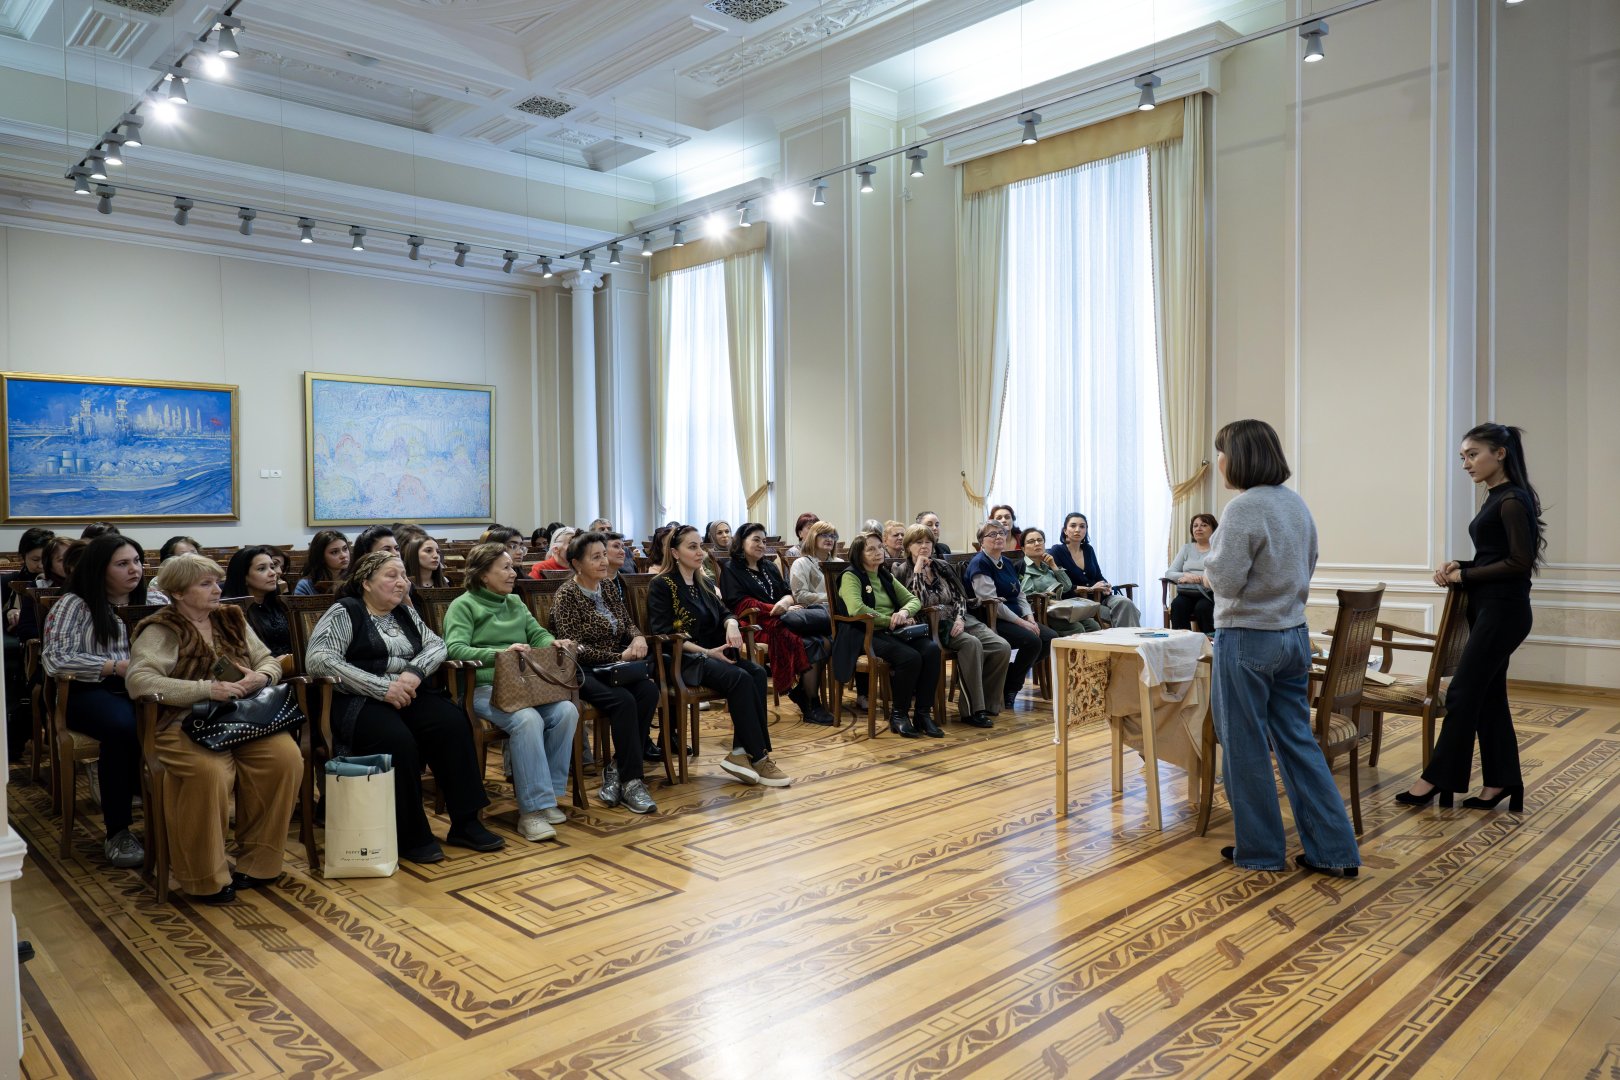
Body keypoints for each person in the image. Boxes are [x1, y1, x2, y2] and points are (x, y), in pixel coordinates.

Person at [1205, 418, 1359, 877]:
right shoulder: (1294, 503)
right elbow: (1308, 564)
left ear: (1239, 458)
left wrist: (1210, 563)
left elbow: (1227, 580)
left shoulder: (1242, 508)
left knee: (1244, 746)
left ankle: (1260, 850)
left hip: (1247, 637)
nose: (1219, 462)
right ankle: (1334, 850)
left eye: (1222, 452)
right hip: (1293, 634)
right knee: (1298, 744)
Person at [305, 551, 504, 862]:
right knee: (398, 741)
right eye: (391, 576)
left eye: (404, 576)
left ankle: (466, 823)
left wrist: (414, 672)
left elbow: (436, 644)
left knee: (452, 723)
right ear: (366, 582)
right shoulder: (345, 611)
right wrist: (382, 687)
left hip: (407, 692)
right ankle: (411, 835)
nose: (402, 583)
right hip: (357, 698)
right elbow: (319, 661)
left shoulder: (404, 612)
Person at [126, 553, 299, 903]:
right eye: (205, 584)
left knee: (286, 758)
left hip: (240, 718)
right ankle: (205, 877)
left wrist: (260, 677)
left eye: (217, 582)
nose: (217, 589)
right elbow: (139, 682)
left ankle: (259, 862)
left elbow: (268, 659)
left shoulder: (231, 618)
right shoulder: (162, 628)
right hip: (182, 723)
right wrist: (206, 689)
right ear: (177, 592)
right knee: (209, 773)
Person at [1399, 423, 1546, 813]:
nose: (1466, 463)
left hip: (1504, 611)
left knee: (1463, 692)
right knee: (1489, 697)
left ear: (1500, 453)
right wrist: (1460, 565)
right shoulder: (1497, 496)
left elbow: (1519, 562)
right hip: (1491, 608)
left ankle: (1436, 778)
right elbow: (1496, 556)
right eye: (1463, 456)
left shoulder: (1512, 499)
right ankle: (1501, 781)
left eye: (1472, 454)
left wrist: (1465, 575)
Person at [41, 533, 169, 868]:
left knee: (184, 717)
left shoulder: (153, 598)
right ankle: (118, 830)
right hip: (91, 690)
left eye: (137, 561)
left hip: (146, 685)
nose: (135, 570)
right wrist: (114, 666)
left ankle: (173, 812)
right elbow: (55, 659)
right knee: (123, 726)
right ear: (100, 569)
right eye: (123, 564)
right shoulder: (74, 604)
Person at [442, 544, 580, 841]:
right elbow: (454, 648)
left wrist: (552, 642)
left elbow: (537, 633)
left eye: (510, 566)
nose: (512, 572)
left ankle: (549, 798)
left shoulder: (515, 602)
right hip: (482, 687)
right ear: (482, 576)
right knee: (527, 720)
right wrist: (500, 652)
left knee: (567, 711)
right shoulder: (463, 605)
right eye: (503, 568)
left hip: (522, 685)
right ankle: (530, 813)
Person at [648, 525, 790, 787]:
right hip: (683, 660)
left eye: (700, 546)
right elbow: (664, 634)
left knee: (757, 673)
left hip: (713, 656)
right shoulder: (662, 585)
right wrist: (707, 652)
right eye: (692, 547)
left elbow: (726, 612)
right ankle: (758, 756)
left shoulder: (703, 582)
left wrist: (732, 624)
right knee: (740, 678)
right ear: (675, 553)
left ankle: (739, 752)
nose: (700, 552)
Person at [552, 531, 662, 813]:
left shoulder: (609, 587)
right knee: (624, 701)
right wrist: (618, 655)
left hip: (615, 666)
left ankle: (616, 768)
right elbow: (573, 647)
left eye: (604, 555)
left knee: (649, 691)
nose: (603, 562)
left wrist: (637, 637)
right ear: (577, 563)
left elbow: (627, 624)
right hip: (583, 670)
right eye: (596, 557)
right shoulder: (567, 595)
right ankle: (632, 781)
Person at [720, 523, 834, 725]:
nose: (761, 545)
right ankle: (811, 703)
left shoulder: (769, 566)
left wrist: (785, 603)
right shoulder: (731, 569)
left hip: (782, 617)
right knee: (809, 644)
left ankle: (802, 692)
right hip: (755, 623)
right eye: (756, 540)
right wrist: (776, 607)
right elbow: (740, 604)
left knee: (823, 641)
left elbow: (788, 593)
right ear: (741, 542)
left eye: (764, 541)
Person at [894, 524, 1007, 728]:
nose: (924, 546)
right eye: (918, 542)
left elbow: (960, 598)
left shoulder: (941, 566)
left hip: (958, 618)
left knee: (1001, 647)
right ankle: (973, 710)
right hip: (932, 623)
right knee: (971, 644)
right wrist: (919, 571)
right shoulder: (902, 571)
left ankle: (989, 703)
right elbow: (917, 603)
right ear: (908, 545)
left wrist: (961, 618)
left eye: (928, 541)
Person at [833, 533, 943, 738]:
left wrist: (903, 613)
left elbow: (913, 600)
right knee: (910, 658)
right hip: (862, 633)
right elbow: (857, 609)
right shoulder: (851, 576)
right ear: (859, 554)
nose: (878, 552)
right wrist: (889, 619)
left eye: (879, 548)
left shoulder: (885, 575)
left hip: (892, 629)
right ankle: (899, 715)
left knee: (931, 650)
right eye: (871, 549)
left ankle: (922, 714)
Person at [965, 520, 1057, 710]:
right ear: (981, 541)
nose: (998, 537)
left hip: (1016, 617)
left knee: (1050, 638)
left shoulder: (1005, 561)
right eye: (992, 534)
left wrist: (1030, 618)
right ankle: (1012, 688)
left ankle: (1008, 677)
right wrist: (1023, 624)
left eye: (1001, 533)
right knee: (1032, 641)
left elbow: (1020, 594)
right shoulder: (980, 564)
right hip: (991, 619)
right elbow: (993, 604)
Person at [4, 527, 55, 760]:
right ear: (22, 557)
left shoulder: (60, 582)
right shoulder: (10, 582)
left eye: (47, 559)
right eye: (35, 559)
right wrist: (10, 612)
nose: (41, 565)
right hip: (17, 643)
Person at [1050, 513, 1142, 627]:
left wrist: (1105, 585)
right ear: (1065, 530)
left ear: (1086, 530)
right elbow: (1061, 585)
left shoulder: (1088, 549)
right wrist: (1090, 589)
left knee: (1126, 603)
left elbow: (1098, 576)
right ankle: (1127, 641)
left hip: (1100, 597)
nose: (1077, 530)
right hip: (1078, 601)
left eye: (1082, 526)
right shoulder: (1057, 551)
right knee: (1122, 614)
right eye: (1073, 526)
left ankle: (1129, 641)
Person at [1019, 527, 1102, 633]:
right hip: (1042, 612)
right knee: (1077, 628)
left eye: (1040, 540)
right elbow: (1026, 596)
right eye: (1031, 542)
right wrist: (1049, 601)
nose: (1037, 543)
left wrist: (1054, 566)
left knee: (1093, 625)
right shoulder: (1024, 568)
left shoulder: (1046, 565)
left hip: (1059, 609)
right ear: (1023, 548)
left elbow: (1067, 587)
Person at [222, 546, 292, 657]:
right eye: (261, 569)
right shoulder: (229, 610)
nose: (273, 573)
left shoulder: (279, 603)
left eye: (272, 567)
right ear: (243, 576)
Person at [1167, 514, 1218, 632]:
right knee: (1178, 605)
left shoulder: (1218, 549)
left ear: (1214, 530)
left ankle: (1210, 644)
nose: (1198, 528)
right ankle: (1181, 643)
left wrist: (1199, 578)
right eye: (1195, 526)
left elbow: (1221, 575)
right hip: (1187, 592)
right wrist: (1186, 575)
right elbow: (1169, 573)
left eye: (1204, 525)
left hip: (1209, 593)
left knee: (1203, 607)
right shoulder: (1186, 548)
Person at [789, 521, 841, 607]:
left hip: (840, 611)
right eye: (824, 535)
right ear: (813, 537)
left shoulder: (839, 563)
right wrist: (830, 597)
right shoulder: (800, 564)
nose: (829, 539)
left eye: (832, 536)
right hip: (815, 611)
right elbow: (800, 595)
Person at [403, 536, 449, 619]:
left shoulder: (445, 582)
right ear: (414, 554)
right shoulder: (405, 585)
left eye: (438, 552)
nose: (436, 556)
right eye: (428, 551)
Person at [293, 530, 350, 596]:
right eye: (334, 552)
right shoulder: (305, 585)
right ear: (321, 556)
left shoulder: (354, 579)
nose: (344, 555)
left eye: (345, 549)